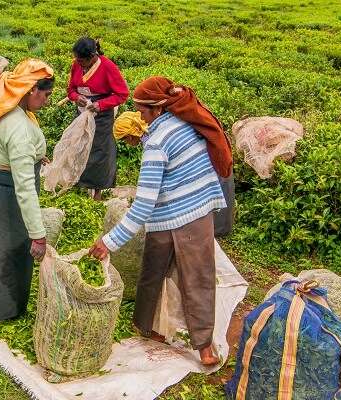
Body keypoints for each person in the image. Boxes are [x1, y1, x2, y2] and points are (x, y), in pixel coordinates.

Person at [89, 76, 233, 366]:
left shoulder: (157, 143)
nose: (140, 115)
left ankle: (203, 344)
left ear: (156, 108)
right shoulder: (185, 124)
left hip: (190, 214)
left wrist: (109, 242)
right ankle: (149, 326)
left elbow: (143, 205)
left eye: (142, 110)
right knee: (154, 269)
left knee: (196, 277)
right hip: (181, 211)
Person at [0, 59, 54, 320]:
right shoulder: (20, 130)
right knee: (6, 252)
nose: (47, 101)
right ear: (31, 90)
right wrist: (38, 234)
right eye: (46, 95)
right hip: (8, 197)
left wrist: (38, 156)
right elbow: (25, 188)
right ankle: (0, 310)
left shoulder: (6, 107)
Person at [67, 37, 129, 200]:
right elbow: (71, 89)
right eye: (77, 61)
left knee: (99, 151)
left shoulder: (108, 66)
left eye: (81, 61)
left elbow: (122, 94)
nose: (79, 64)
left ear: (92, 56)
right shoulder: (77, 65)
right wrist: (75, 97)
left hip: (101, 116)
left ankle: (97, 191)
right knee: (80, 147)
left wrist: (101, 105)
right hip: (82, 112)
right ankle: (79, 185)